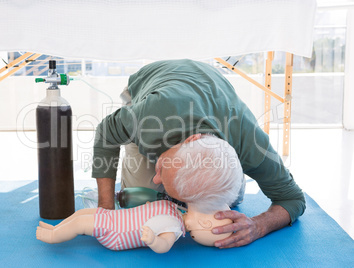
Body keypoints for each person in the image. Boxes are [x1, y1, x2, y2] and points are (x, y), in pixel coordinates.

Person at [92, 59, 306, 248]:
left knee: (225, 201)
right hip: (152, 83)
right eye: (163, 166)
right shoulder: (147, 118)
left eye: (162, 170)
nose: (157, 177)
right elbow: (105, 133)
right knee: (140, 198)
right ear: (190, 140)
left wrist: (258, 226)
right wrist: (106, 207)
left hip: (215, 99)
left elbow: (293, 199)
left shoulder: (251, 144)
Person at [36, 200, 234, 253]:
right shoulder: (177, 210)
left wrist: (154, 240)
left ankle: (53, 236)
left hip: (116, 233)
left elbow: (164, 246)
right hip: (116, 217)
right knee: (81, 214)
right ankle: (56, 228)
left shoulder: (175, 227)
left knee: (80, 223)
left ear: (205, 222)